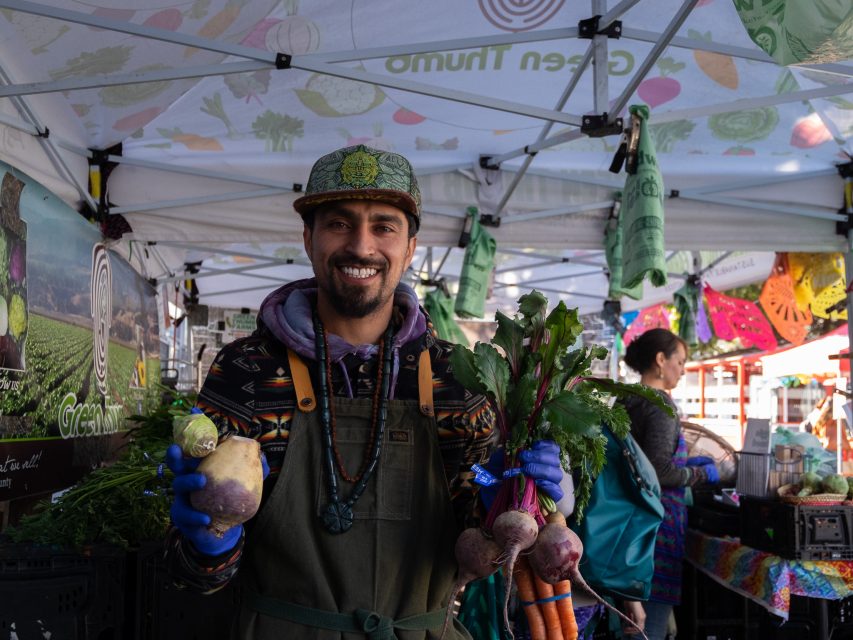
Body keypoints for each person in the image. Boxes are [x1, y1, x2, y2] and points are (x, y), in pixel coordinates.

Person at [163, 144, 565, 639]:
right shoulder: (249, 369)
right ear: (308, 239)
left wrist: (496, 482)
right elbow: (190, 577)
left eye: (383, 226)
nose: (361, 245)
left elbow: (475, 511)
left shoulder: (456, 376)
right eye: (338, 223)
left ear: (410, 248)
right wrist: (208, 546)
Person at [620, 328, 718, 640]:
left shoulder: (626, 399)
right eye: (680, 361)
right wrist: (700, 475)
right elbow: (658, 471)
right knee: (647, 628)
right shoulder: (660, 405)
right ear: (661, 360)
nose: (683, 369)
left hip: (626, 527)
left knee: (629, 623)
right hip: (655, 534)